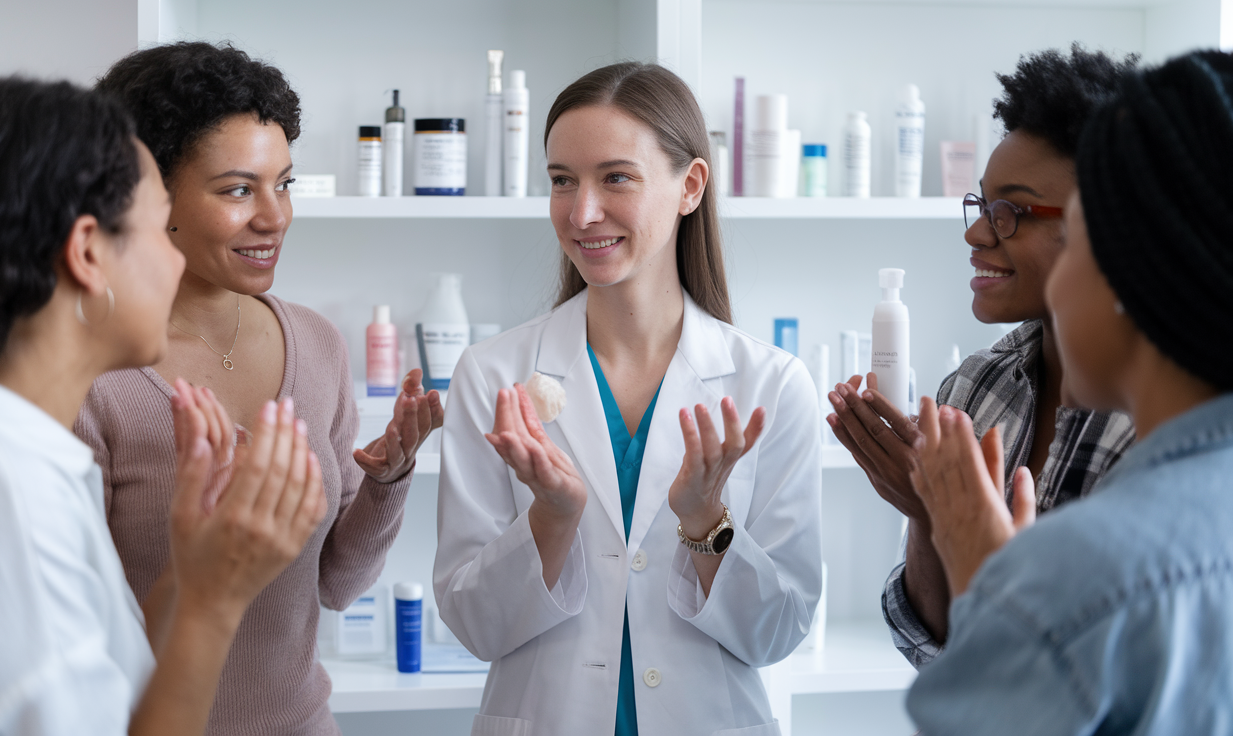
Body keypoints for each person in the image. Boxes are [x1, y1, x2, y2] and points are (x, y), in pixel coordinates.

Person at [0, 77, 325, 735]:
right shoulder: (4, 500)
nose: (174, 262)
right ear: (86, 253)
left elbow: (115, 693)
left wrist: (187, 578)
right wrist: (214, 605)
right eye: (156, 228)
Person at [434, 62, 822, 736]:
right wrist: (550, 521)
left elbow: (777, 633)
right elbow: (475, 627)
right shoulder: (490, 375)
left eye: (616, 177)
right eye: (561, 180)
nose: (582, 212)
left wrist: (706, 524)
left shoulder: (772, 384)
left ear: (690, 186)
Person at [79, 42, 442, 734]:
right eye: (239, 189)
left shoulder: (317, 344)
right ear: (150, 194)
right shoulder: (97, 376)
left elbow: (335, 585)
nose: (275, 217)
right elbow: (78, 628)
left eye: (285, 184)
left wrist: (389, 481)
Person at [906, 49, 1233, 734]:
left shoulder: (1072, 579)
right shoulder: (975, 386)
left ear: (1137, 267)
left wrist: (994, 585)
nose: (977, 234)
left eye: (1081, 240)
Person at [826, 44, 1137, 666]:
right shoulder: (974, 388)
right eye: (980, 205)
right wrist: (929, 513)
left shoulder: (1159, 415)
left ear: (1105, 218)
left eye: (1010, 212)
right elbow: (937, 651)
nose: (975, 232)